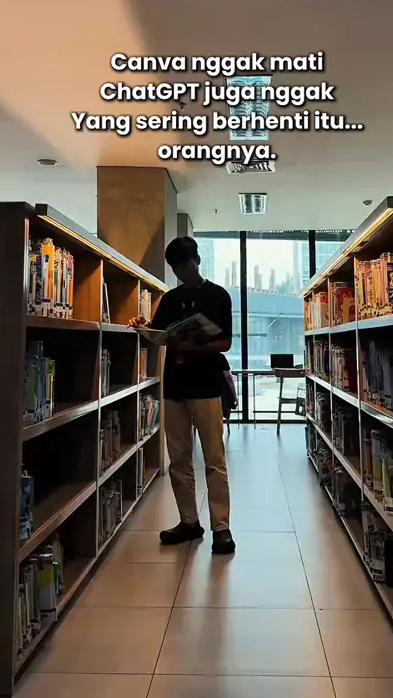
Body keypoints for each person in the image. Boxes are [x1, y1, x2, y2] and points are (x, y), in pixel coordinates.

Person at [128, 236, 235, 555]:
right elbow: (160, 336)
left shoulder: (218, 296)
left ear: (197, 261)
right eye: (176, 268)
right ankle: (189, 521)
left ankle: (221, 527)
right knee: (179, 459)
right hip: (174, 386)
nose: (182, 272)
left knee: (214, 459)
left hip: (206, 387)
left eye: (185, 265)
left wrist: (193, 345)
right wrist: (144, 328)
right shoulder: (170, 299)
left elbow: (226, 342)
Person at [218, 354, 238, 433]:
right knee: (225, 409)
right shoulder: (219, 357)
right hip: (221, 391)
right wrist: (234, 395)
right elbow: (228, 377)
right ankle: (227, 428)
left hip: (201, 394)